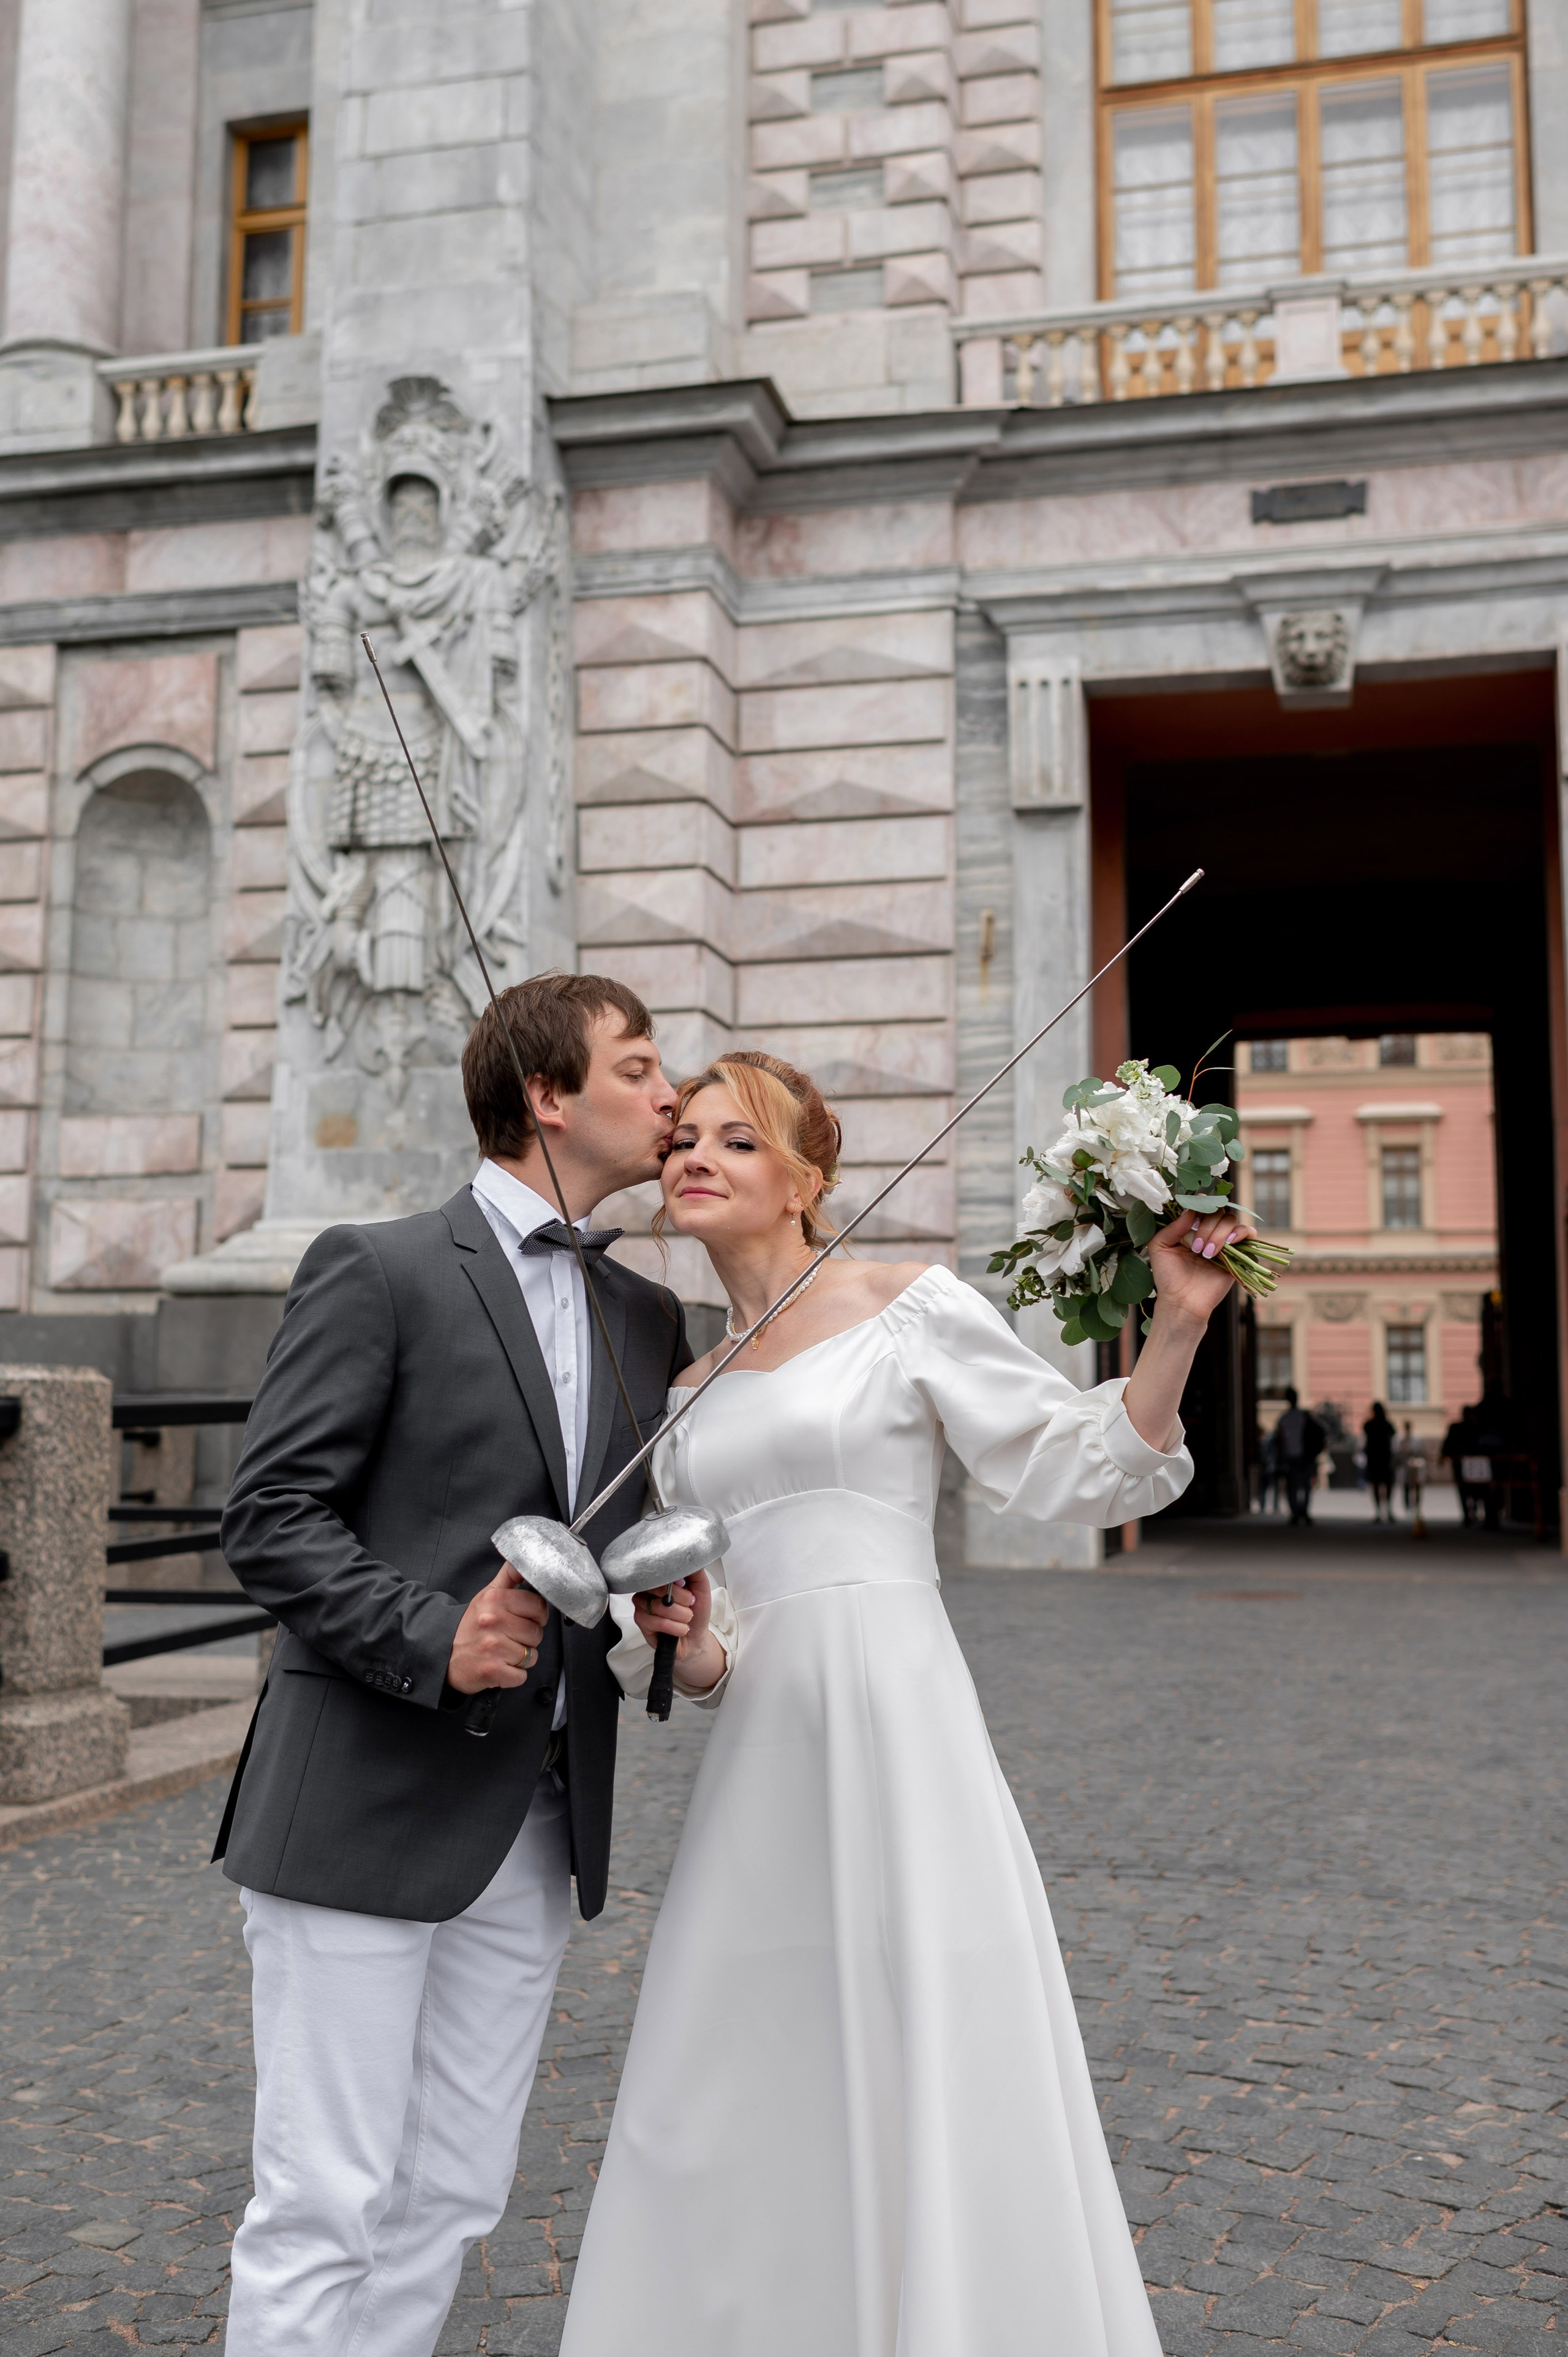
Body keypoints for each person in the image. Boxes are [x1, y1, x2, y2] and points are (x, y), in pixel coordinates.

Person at [559, 1050, 1253, 2357]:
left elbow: (1068, 1466)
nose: (692, 1156)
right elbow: (708, 1659)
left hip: (903, 1727)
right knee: (736, 2070)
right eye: (680, 1142)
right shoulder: (683, 1400)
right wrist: (685, 1637)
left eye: (736, 1142)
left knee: (931, 2043)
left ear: (806, 1181)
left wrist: (1174, 1323)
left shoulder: (906, 1305)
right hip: (764, 1766)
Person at [214, 974, 690, 2357]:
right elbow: (269, 1518)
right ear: (548, 1096)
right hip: (357, 1799)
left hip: (535, 1822)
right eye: (643, 1069)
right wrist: (440, 1635)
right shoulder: (378, 1265)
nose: (669, 1099)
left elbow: (618, 1528)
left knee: (454, 2192)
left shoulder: (649, 1320)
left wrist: (664, 1595)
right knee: (324, 2198)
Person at [1275, 1387, 1325, 1526]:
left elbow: (1280, 1441)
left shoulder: (1284, 1419)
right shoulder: (1305, 1416)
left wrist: (1281, 1456)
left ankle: (1296, 1513)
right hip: (1305, 1456)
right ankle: (1303, 1511)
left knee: (1292, 1487)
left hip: (1292, 1457)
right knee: (1305, 1486)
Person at [1362, 1400, 1396, 1521]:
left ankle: (1378, 1511)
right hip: (1385, 1457)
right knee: (1388, 1484)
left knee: (1376, 1484)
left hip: (1374, 1458)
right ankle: (1388, 1510)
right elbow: (1393, 1434)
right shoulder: (1387, 1424)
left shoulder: (1369, 1424)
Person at [1398, 1420, 1427, 1518]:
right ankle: (1408, 1508)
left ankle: (1417, 1507)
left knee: (1418, 1487)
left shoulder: (1416, 1439)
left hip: (1416, 1465)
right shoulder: (1401, 1439)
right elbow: (1400, 1453)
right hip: (1406, 1467)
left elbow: (1422, 1452)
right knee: (1406, 1488)